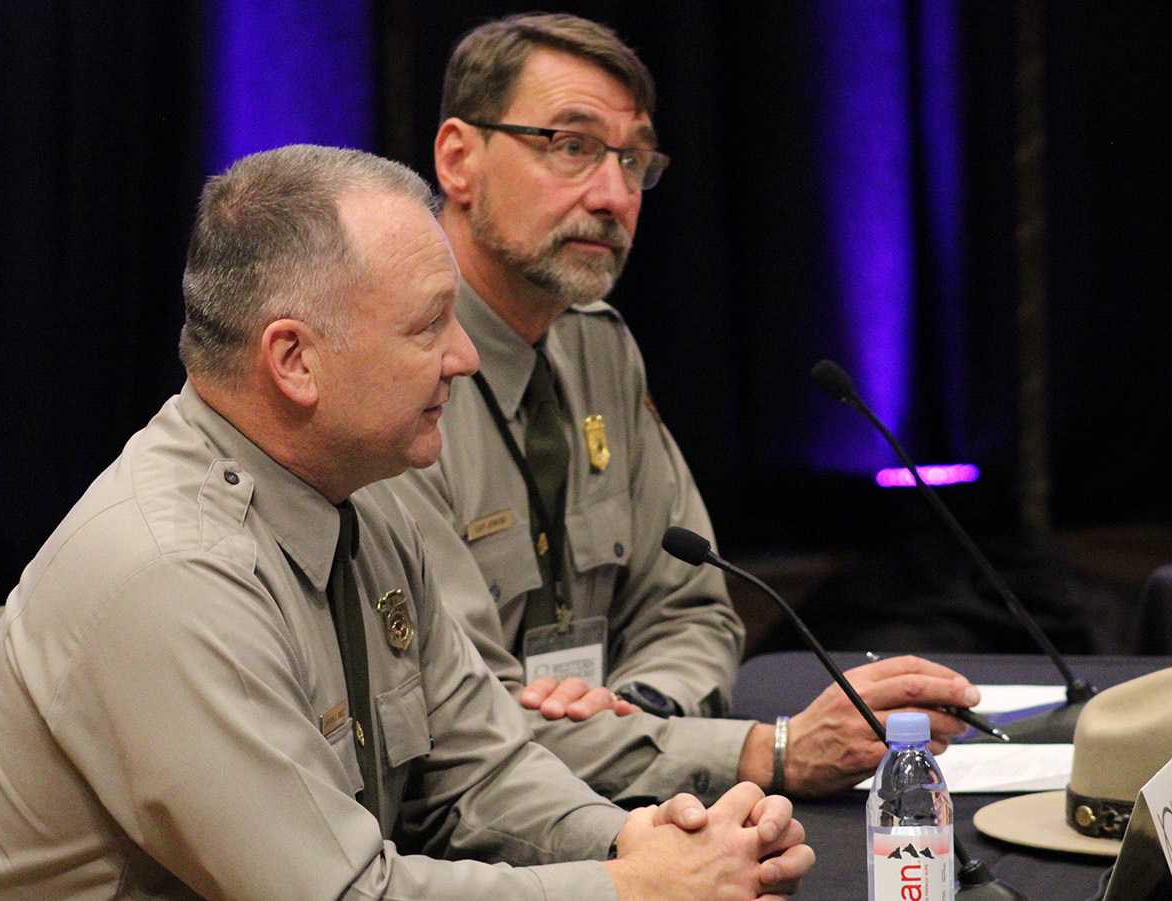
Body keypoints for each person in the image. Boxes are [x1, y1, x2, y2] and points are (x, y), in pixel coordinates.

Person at [0, 145, 811, 900]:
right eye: (428, 326)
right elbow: (344, 894)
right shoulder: (171, 573)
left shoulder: (362, 495)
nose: (465, 356)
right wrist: (630, 887)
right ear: (294, 360)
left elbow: (482, 769)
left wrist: (640, 837)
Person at [389, 12, 981, 803]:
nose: (613, 195)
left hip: (602, 791)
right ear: (458, 160)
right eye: (572, 146)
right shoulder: (388, 372)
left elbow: (693, 607)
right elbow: (465, 725)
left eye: (633, 159)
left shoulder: (598, 346)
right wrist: (770, 750)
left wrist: (640, 708)